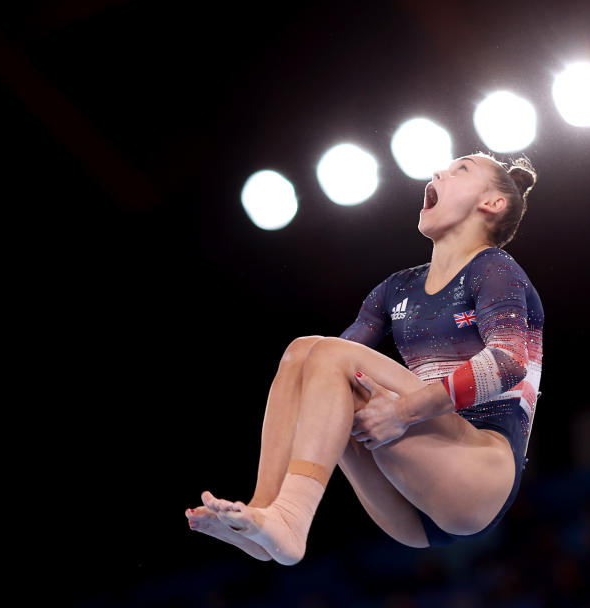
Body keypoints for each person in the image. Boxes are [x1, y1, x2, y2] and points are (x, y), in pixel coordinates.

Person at [186, 152, 544, 565]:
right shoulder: (397, 288)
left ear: (492, 204)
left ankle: (292, 516)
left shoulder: (493, 269)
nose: (438, 172)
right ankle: (265, 512)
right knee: (303, 353)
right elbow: (320, 377)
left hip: (479, 476)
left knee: (329, 356)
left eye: (461, 169)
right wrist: (387, 411)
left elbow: (508, 361)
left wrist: (405, 410)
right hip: (411, 503)